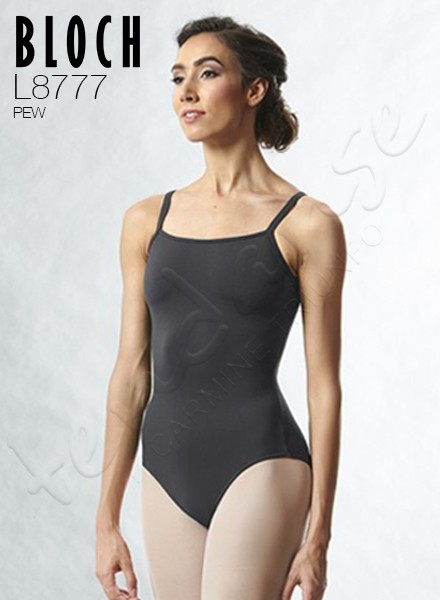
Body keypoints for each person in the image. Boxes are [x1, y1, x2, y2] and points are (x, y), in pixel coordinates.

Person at [95, 14, 345, 600]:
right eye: (177, 76)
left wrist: (318, 537)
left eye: (207, 74)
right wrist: (105, 519)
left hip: (261, 461)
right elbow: (131, 372)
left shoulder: (308, 225)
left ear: (254, 89)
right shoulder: (145, 221)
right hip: (167, 470)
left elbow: (324, 385)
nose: (186, 90)